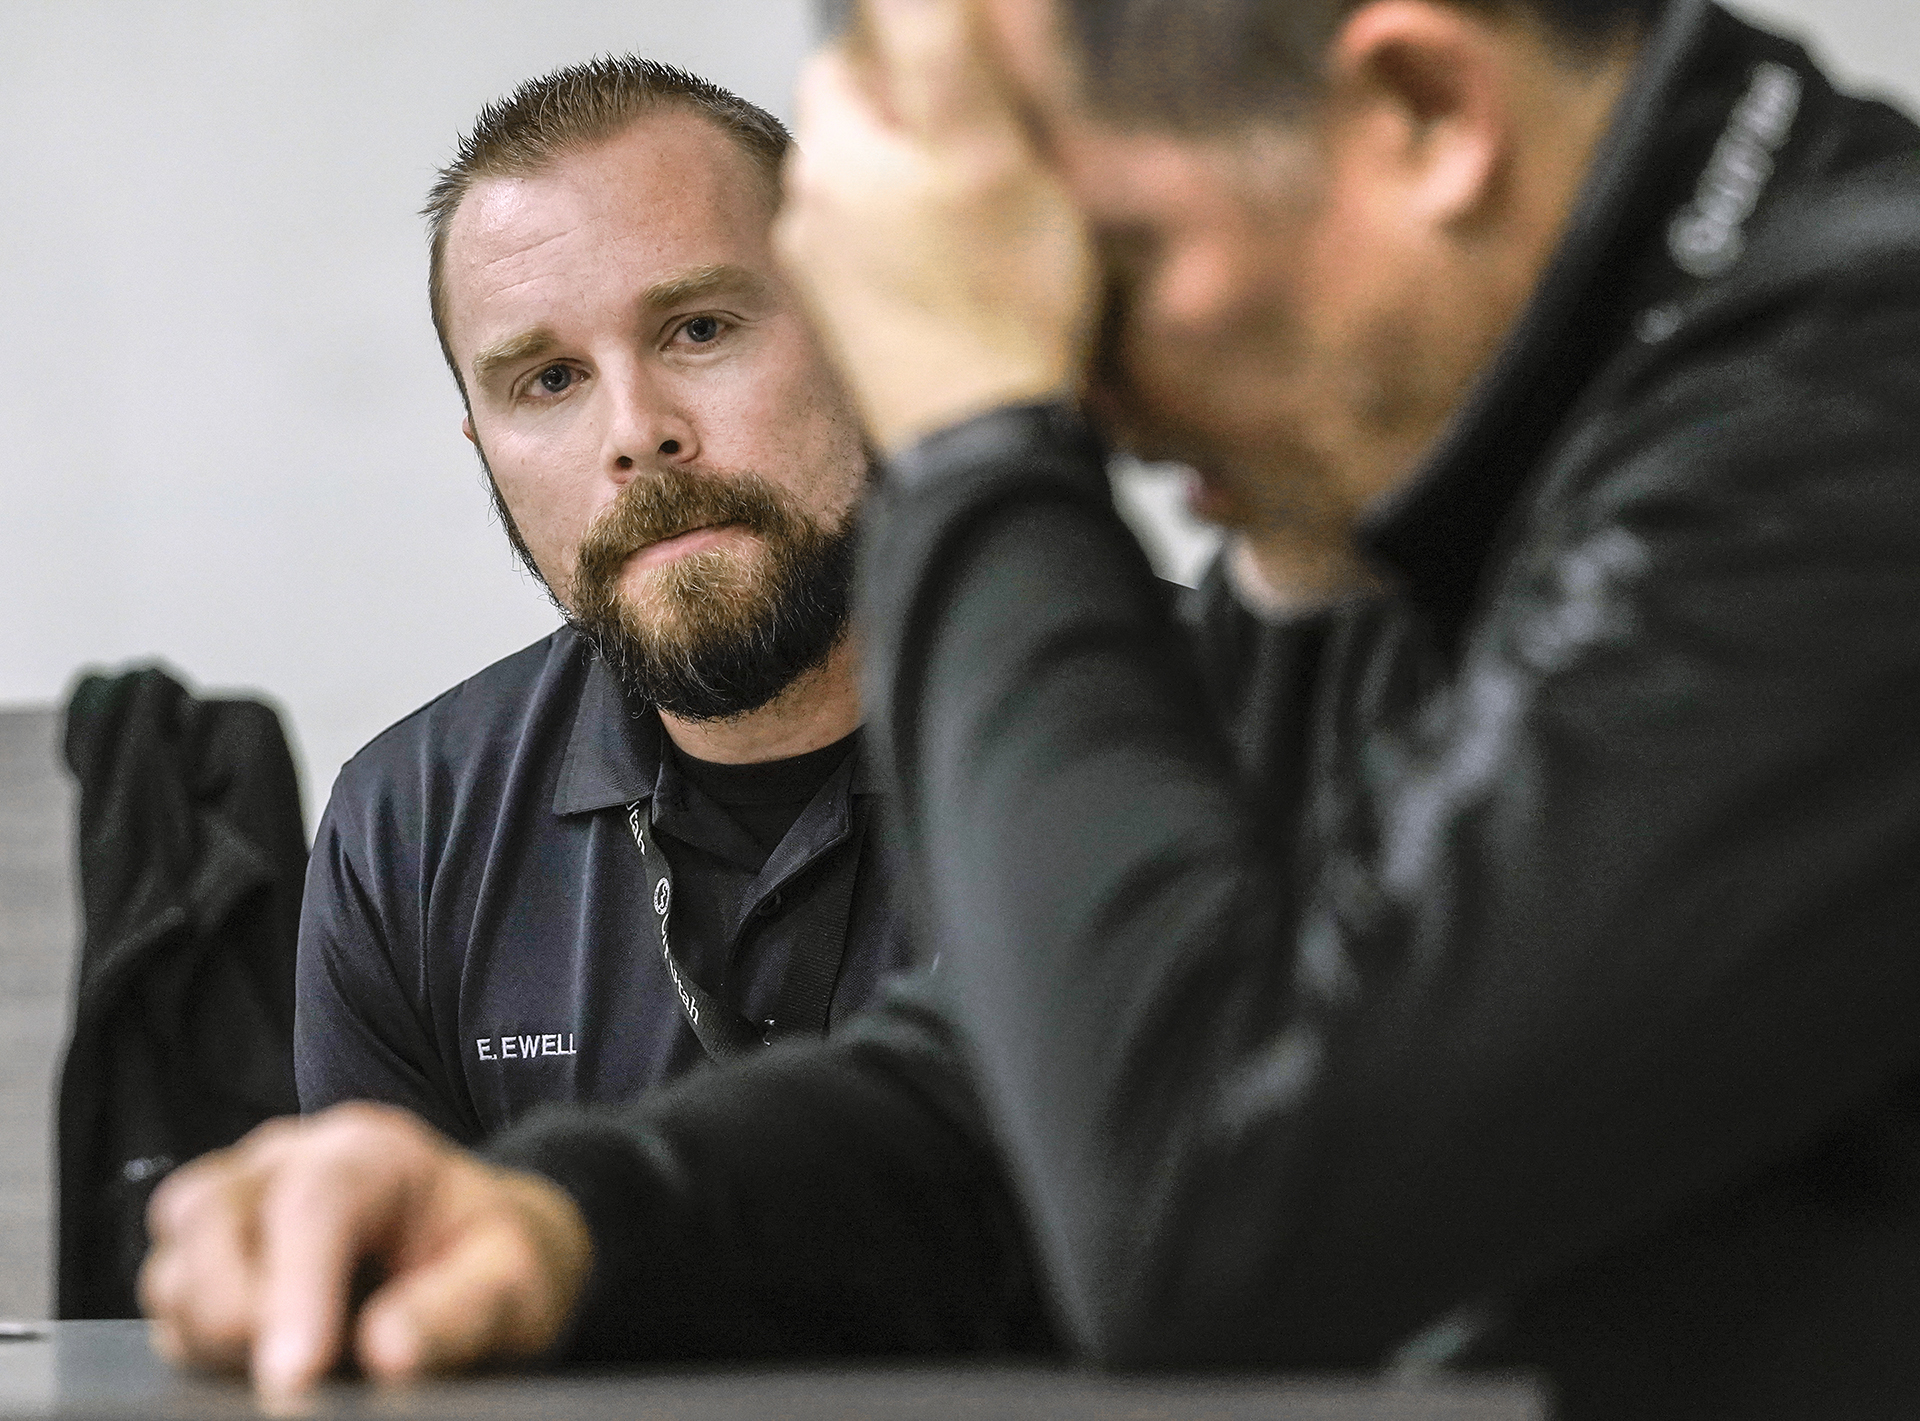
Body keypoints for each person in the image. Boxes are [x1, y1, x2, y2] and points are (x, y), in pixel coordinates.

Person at [144, 0, 1920, 1416]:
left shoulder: (1856, 422)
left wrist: (973, 438)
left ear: (1423, 115)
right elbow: (1017, 1096)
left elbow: (1207, 1209)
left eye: (1109, 278)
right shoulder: (1462, 462)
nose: (1101, 395)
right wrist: (559, 1224)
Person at [291, 56, 913, 1143]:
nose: (636, 430)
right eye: (550, 380)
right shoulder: (408, 830)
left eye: (701, 328)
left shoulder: (1199, 716)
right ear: (483, 447)